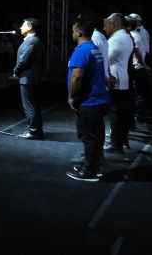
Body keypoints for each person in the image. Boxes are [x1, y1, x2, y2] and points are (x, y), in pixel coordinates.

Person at [66, 16, 110, 182]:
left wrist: (71, 97)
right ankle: (93, 165)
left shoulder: (82, 50)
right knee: (96, 136)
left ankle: (89, 171)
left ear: (78, 32)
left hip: (89, 102)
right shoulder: (93, 48)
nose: (72, 33)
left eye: (73, 30)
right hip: (98, 100)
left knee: (88, 137)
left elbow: (77, 77)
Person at [103, 13, 133, 155]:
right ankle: (119, 141)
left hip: (116, 80)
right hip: (122, 79)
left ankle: (115, 143)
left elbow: (106, 58)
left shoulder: (118, 39)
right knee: (119, 112)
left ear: (114, 24)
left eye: (107, 24)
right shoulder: (125, 36)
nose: (105, 27)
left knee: (115, 113)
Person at [13, 18, 44, 139]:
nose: (21, 27)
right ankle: (36, 130)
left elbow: (23, 61)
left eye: (23, 25)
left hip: (28, 79)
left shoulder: (31, 41)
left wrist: (16, 71)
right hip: (33, 78)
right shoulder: (34, 41)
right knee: (34, 105)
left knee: (29, 105)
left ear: (30, 27)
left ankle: (34, 131)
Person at [125, 15, 151, 127]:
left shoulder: (134, 35)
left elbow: (139, 52)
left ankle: (134, 118)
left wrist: (144, 65)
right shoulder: (139, 34)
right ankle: (137, 116)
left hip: (136, 67)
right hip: (138, 67)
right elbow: (146, 51)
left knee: (135, 94)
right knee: (138, 93)